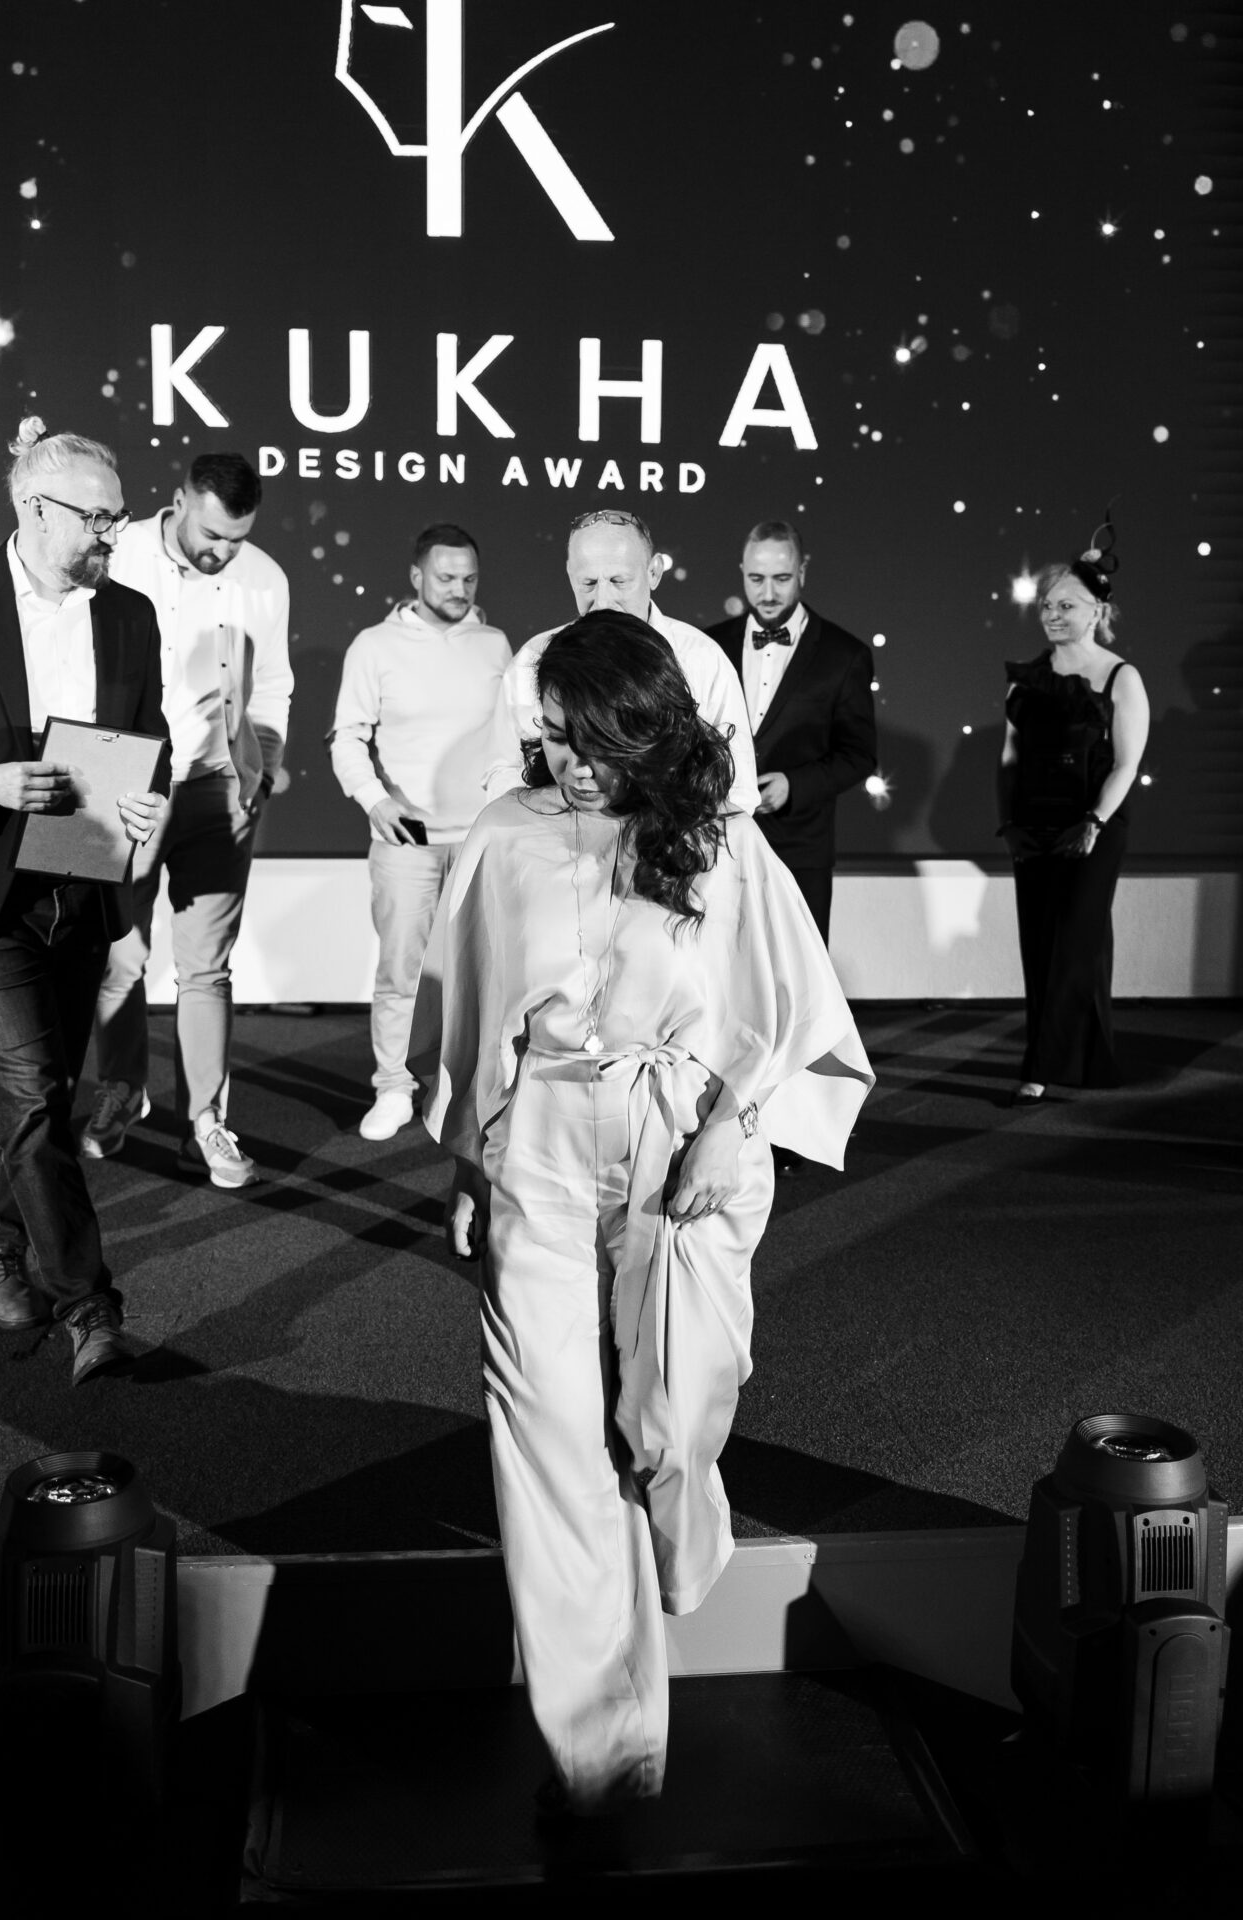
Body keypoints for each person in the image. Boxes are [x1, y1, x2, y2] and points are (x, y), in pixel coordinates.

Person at [409, 610, 872, 1814]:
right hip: (539, 1145)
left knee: (670, 1416)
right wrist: (469, 1166)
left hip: (683, 1140)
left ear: (649, 726)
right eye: (555, 737)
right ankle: (603, 1759)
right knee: (551, 1441)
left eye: (595, 739)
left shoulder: (719, 838)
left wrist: (729, 1123)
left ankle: (681, 1508)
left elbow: (792, 1002)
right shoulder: (505, 834)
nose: (570, 764)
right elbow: (464, 1009)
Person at [0, 420, 167, 1383]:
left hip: (84, 883)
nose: (111, 535)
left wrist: (149, 796)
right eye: (97, 518)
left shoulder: (129, 614)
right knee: (32, 1100)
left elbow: (150, 735)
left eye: (117, 519)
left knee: (40, 1100)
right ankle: (92, 1304)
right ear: (33, 508)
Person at [82, 452, 293, 1186]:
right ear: (177, 502)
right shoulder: (118, 551)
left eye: (237, 537)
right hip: (124, 779)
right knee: (119, 953)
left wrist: (261, 767)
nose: (222, 551)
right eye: (211, 534)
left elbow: (273, 685)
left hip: (216, 786)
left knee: (207, 967)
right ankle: (120, 1092)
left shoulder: (264, 579)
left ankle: (207, 1122)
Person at [328, 522, 511, 1140]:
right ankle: (393, 1087)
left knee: (477, 976)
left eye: (469, 578)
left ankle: (464, 1089)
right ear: (416, 577)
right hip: (405, 842)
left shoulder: (495, 644)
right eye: (446, 577)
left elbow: (514, 738)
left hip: (479, 841)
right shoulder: (374, 646)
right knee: (401, 972)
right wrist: (375, 801)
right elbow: (347, 737)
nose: (460, 589)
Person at [998, 530, 1150, 1101]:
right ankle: (1090, 1059)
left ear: (1098, 612)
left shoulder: (1120, 677)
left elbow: (1127, 765)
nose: (1053, 615)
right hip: (1033, 825)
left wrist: (1094, 822)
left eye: (1066, 605)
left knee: (1077, 940)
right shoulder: (1026, 678)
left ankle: (1039, 1066)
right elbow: (1009, 758)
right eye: (1047, 605)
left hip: (1095, 824)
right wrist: (1008, 822)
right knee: (1041, 944)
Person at [484, 507, 760, 813]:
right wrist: (553, 823)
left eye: (619, 581)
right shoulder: (532, 659)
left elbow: (739, 791)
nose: (603, 601)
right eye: (588, 583)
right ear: (569, 574)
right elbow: (503, 771)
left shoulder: (702, 659)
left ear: (654, 573)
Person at [706, 519, 878, 947]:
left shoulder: (845, 655)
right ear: (742, 572)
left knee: (800, 976)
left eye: (781, 579)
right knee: (725, 972)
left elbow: (859, 755)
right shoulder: (709, 646)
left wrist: (793, 785)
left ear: (802, 571)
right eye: (756, 579)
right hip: (718, 846)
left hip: (801, 851)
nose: (767, 593)